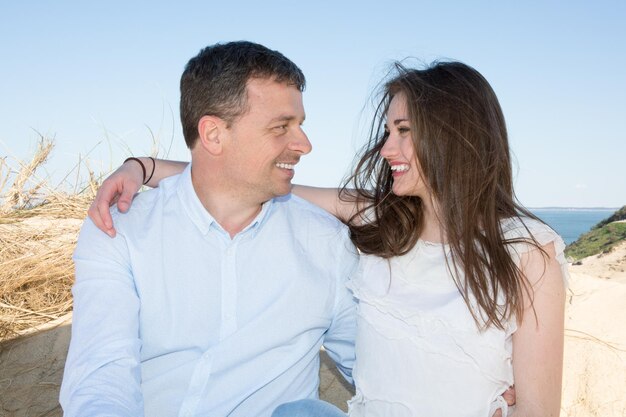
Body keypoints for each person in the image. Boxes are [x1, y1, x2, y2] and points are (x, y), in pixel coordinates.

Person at [90, 63, 549, 416]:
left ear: (455, 135)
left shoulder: (528, 252)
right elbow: (244, 179)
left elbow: (539, 408)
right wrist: (143, 167)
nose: (387, 148)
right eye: (388, 131)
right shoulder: (384, 219)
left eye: (404, 132)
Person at [60, 41, 360, 417]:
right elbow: (101, 375)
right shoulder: (123, 230)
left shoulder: (325, 242)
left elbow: (373, 371)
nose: (304, 144)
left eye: (300, 125)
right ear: (214, 135)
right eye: (281, 127)